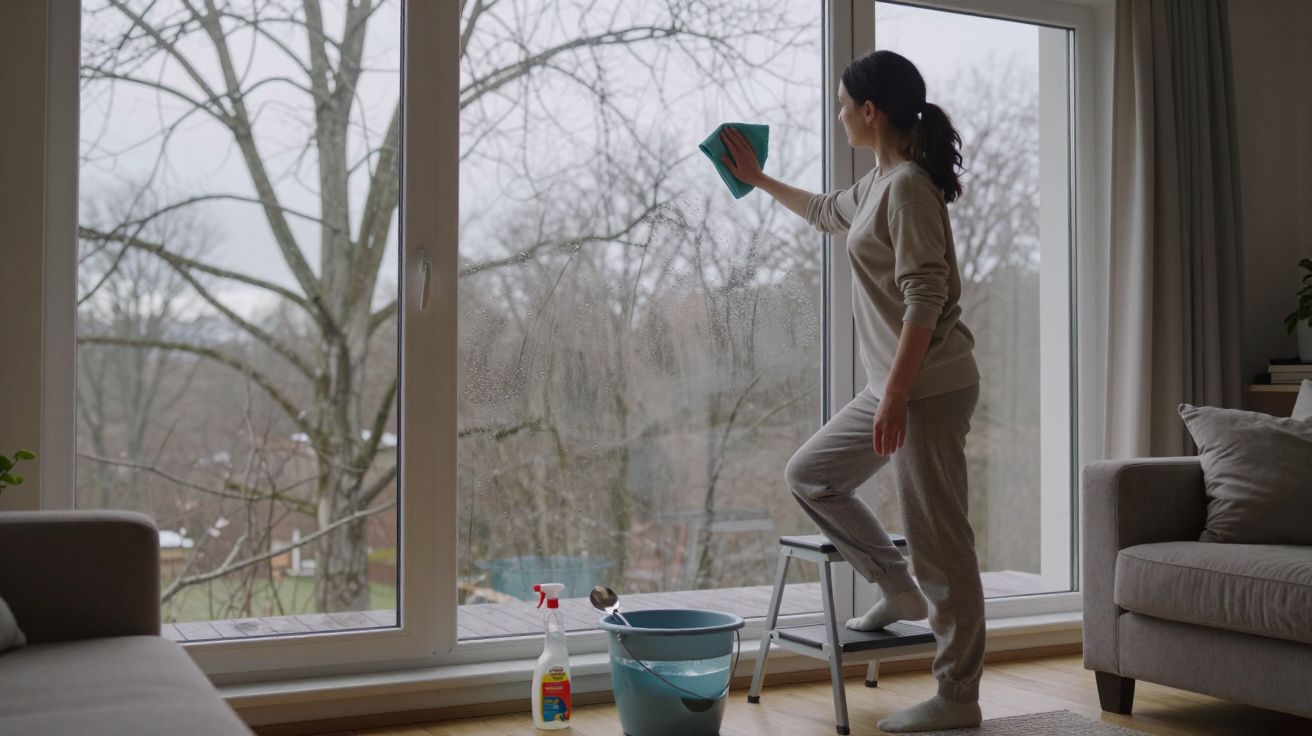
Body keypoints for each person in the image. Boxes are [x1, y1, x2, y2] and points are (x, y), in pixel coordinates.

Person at [718, 49, 984, 733]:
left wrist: (894, 396)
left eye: (843, 106)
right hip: (893, 385)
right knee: (812, 474)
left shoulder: (910, 190)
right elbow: (825, 211)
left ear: (871, 112)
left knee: (942, 541)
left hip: (927, 387)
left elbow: (927, 294)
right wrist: (758, 178)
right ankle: (897, 589)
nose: (839, 117)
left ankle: (958, 696)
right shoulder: (877, 186)